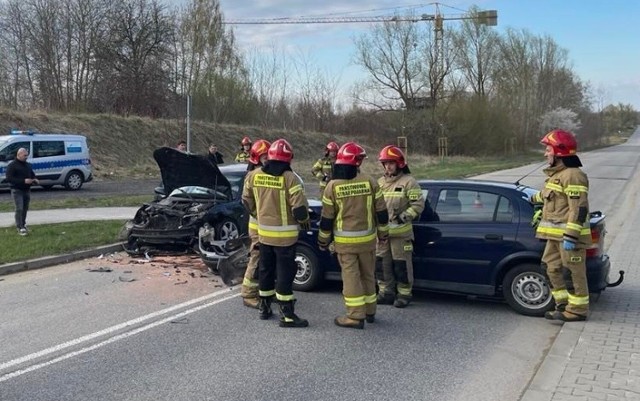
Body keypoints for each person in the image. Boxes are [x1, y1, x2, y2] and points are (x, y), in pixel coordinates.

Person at [317, 142, 389, 329]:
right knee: (367, 275)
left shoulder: (332, 186)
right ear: (356, 162)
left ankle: (355, 316)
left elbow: (327, 219)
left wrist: (323, 241)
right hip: (367, 242)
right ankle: (370, 311)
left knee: (351, 278)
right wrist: (383, 234)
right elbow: (381, 212)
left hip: (345, 244)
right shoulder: (370, 182)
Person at [242, 138, 311, 327]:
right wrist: (304, 222)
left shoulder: (254, 175)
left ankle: (264, 308)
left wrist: (259, 215)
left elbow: (246, 201)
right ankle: (287, 315)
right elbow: (300, 210)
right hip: (285, 239)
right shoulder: (290, 178)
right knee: (285, 275)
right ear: (288, 159)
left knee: (265, 271)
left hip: (264, 235)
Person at [531, 129, 590, 322]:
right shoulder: (558, 175)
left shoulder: (573, 175)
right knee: (551, 268)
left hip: (567, 238)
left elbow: (578, 208)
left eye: (548, 149)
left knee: (571, 273)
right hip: (554, 238)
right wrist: (533, 198)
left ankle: (577, 310)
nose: (545, 153)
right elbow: (548, 197)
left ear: (559, 152)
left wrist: (571, 236)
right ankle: (563, 306)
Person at [376, 145, 425, 308]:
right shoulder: (380, 183)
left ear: (399, 163)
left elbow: (418, 204)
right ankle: (386, 293)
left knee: (401, 266)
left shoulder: (409, 182)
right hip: (382, 235)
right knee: (382, 265)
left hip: (401, 235)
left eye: (391, 163)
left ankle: (404, 294)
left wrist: (403, 217)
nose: (388, 166)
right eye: (385, 163)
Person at [240, 139, 271, 309]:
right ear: (257, 158)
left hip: (266, 225)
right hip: (258, 225)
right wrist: (258, 214)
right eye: (264, 156)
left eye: (268, 156)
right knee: (256, 258)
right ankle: (248, 294)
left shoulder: (267, 173)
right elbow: (246, 200)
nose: (267, 159)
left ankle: (262, 291)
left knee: (265, 259)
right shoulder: (253, 176)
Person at [6, 148, 39, 236]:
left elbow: (32, 174)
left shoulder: (27, 165)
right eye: (24, 155)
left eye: (27, 155)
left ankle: (23, 224)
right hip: (17, 190)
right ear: (19, 154)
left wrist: (35, 179)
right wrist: (23, 181)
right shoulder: (12, 165)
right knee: (19, 208)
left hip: (27, 190)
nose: (26, 157)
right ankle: (19, 227)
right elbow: (9, 178)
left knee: (25, 208)